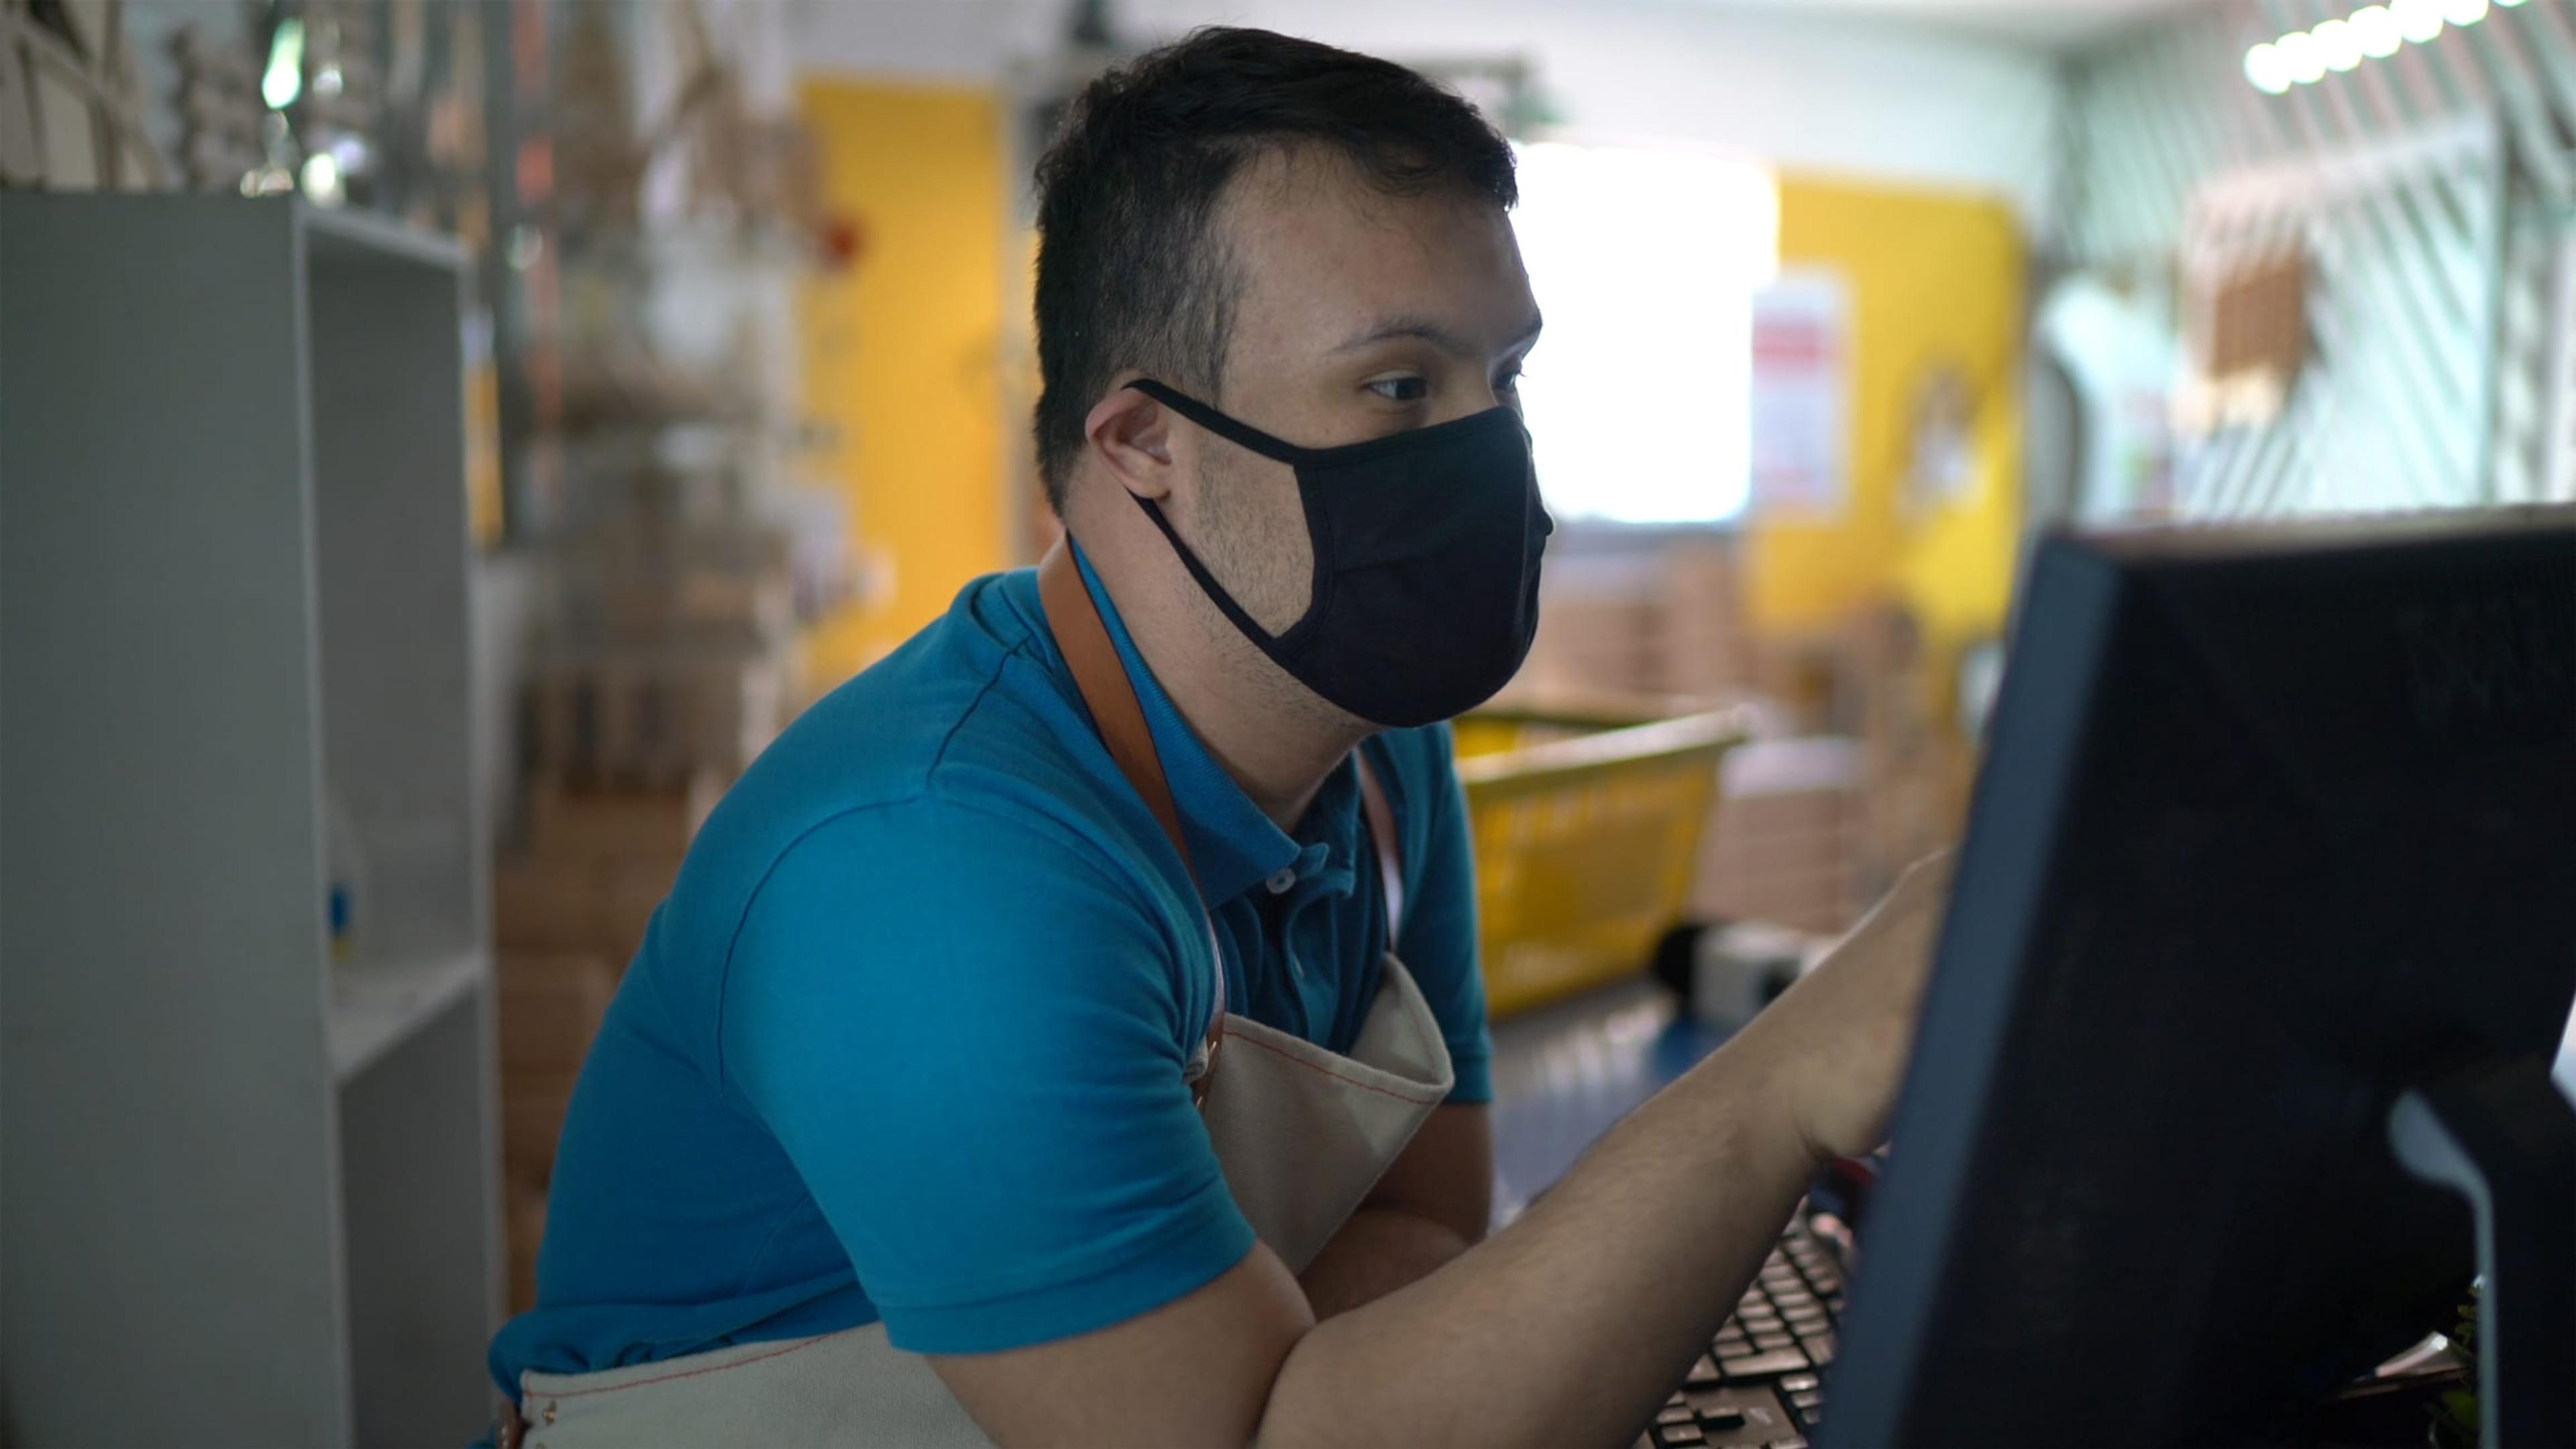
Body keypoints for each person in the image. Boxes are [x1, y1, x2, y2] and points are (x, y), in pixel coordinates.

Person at [486, 27, 1947, 1448]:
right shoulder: (934, 873)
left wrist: (1297, 1381)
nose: (1487, 452)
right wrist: (1781, 1086)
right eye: (1398, 386)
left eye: (1502, 380)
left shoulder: (1377, 762)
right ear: (1141, 446)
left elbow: (1428, 1229)